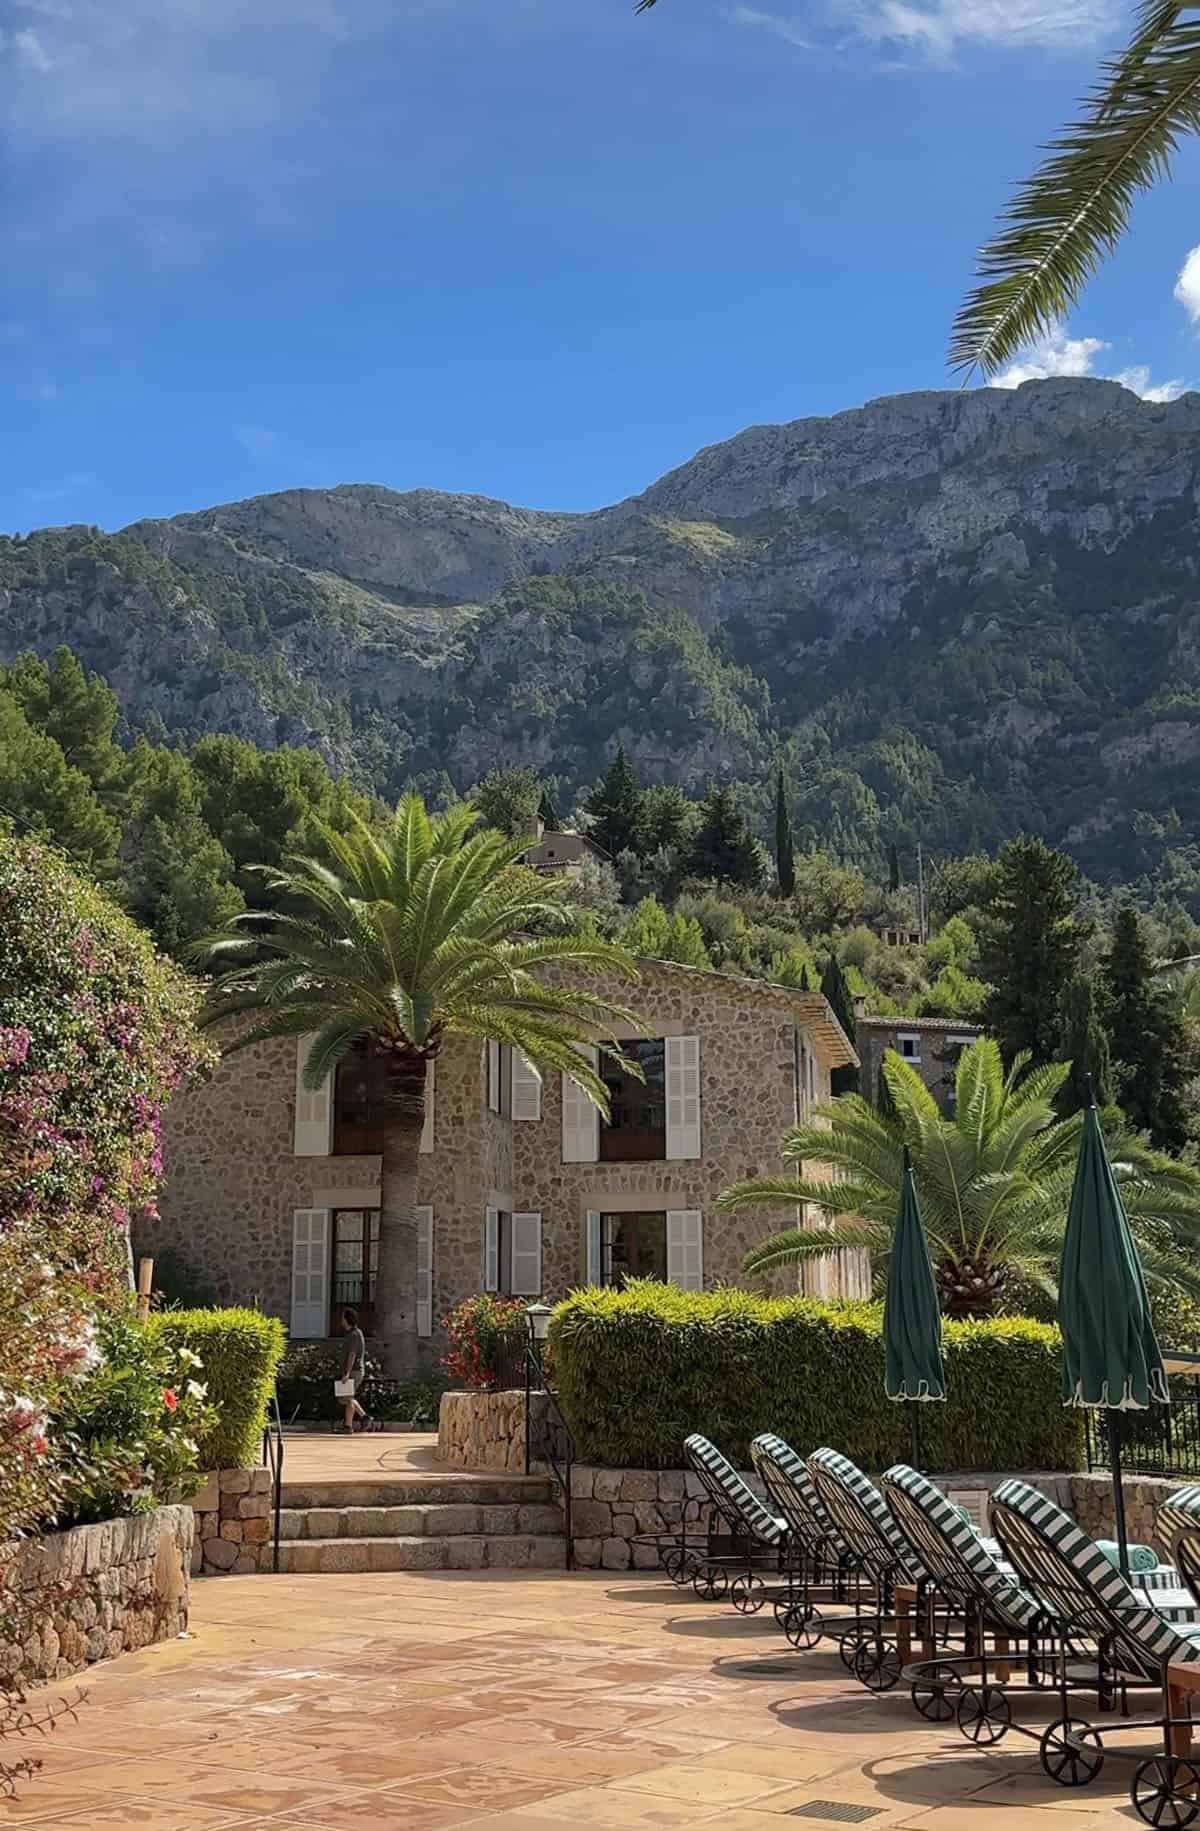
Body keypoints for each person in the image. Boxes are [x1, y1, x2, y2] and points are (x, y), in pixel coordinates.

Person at [340, 1307, 369, 1433]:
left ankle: (361, 1418)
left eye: (343, 1318)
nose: (341, 1320)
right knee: (346, 1398)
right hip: (353, 1371)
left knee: (347, 1397)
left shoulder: (355, 1335)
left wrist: (347, 1373)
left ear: (347, 1319)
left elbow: (352, 1355)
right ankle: (350, 1425)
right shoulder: (351, 1334)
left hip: (354, 1371)